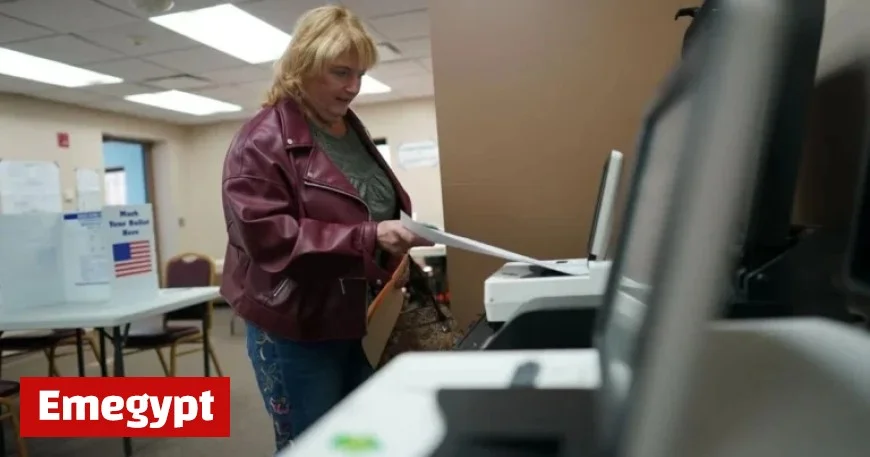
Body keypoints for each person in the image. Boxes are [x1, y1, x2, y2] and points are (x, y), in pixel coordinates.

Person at [219, 5, 432, 451]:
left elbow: (366, 204)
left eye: (359, 74)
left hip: (359, 313)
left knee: (360, 441)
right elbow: (269, 240)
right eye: (340, 73)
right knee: (314, 444)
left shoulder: (346, 127)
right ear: (304, 65)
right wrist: (369, 238)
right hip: (299, 325)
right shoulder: (260, 140)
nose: (353, 87)